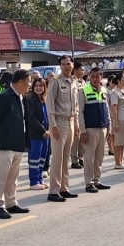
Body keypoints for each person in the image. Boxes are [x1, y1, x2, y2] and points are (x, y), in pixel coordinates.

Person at [0, 69, 31, 219]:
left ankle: (11, 202)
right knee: (1, 177)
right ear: (20, 82)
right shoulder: (4, 97)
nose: (30, 85)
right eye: (28, 82)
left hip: (18, 142)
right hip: (4, 143)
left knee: (13, 177)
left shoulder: (21, 97)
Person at [46, 55, 80, 202]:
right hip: (59, 123)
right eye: (64, 64)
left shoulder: (74, 81)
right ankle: (53, 191)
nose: (67, 66)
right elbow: (50, 105)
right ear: (60, 66)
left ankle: (64, 188)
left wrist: (77, 124)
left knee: (66, 159)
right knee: (57, 159)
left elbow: (76, 105)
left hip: (71, 121)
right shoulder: (55, 82)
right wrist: (53, 125)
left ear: (72, 65)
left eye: (69, 64)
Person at [78, 67, 112, 193]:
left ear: (101, 77)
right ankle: (89, 183)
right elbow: (80, 112)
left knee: (100, 156)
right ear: (89, 76)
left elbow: (107, 109)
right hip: (90, 129)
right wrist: (83, 131)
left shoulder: (104, 90)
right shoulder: (83, 90)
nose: (95, 78)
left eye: (98, 76)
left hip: (103, 127)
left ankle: (97, 180)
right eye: (92, 76)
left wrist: (109, 127)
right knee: (89, 158)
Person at [26, 77, 50, 190]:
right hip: (36, 134)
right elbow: (31, 118)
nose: (38, 88)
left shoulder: (44, 100)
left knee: (42, 158)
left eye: (41, 86)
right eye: (36, 85)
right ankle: (34, 182)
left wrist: (48, 130)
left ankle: (40, 179)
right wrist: (43, 130)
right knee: (35, 158)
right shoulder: (30, 99)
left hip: (46, 134)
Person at [108, 72, 124, 170]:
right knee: (118, 142)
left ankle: (121, 161)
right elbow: (113, 108)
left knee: (122, 142)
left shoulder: (123, 92)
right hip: (120, 120)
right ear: (118, 80)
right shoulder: (115, 92)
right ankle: (117, 162)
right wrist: (115, 122)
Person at [70, 61, 86, 169]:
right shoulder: (71, 81)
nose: (83, 72)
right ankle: (74, 160)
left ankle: (81, 157)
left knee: (82, 137)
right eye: (81, 70)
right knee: (75, 137)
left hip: (83, 112)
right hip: (74, 113)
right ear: (75, 70)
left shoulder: (83, 82)